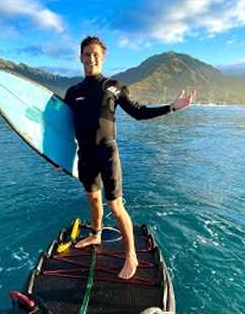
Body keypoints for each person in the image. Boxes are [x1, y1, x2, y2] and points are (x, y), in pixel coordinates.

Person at [64, 36, 196, 279]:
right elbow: (61, 125)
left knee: (115, 205)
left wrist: (172, 107)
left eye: (95, 54)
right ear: (80, 56)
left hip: (107, 153)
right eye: (86, 54)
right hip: (85, 155)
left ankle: (131, 255)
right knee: (93, 199)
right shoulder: (73, 92)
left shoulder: (114, 86)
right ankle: (96, 233)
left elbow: (139, 112)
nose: (91, 58)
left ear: (102, 58)